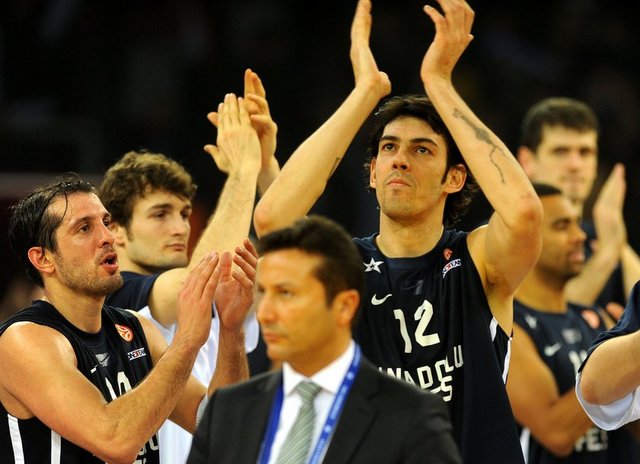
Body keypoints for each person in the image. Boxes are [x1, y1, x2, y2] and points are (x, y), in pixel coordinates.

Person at [252, 0, 542, 462]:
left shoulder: (478, 258)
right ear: (372, 173)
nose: (400, 160)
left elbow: (524, 212)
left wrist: (439, 83)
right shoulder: (345, 266)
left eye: (422, 150)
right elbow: (273, 220)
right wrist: (365, 92)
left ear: (454, 178)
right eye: (388, 148)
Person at [0, 174, 254, 463]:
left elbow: (225, 431)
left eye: (106, 222)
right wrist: (187, 341)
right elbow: (115, 441)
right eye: (84, 228)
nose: (107, 237)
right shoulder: (23, 340)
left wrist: (232, 330)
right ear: (43, 259)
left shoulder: (136, 328)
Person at [100, 72, 277, 463]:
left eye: (183, 213)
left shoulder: (207, 292)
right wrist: (243, 170)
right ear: (116, 230)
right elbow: (199, 284)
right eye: (160, 214)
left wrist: (266, 168)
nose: (180, 227)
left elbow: (303, 262)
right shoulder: (116, 298)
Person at [187, 215, 462, 464]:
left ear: (344, 306)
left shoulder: (410, 415)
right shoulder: (229, 407)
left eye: (286, 294)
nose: (265, 313)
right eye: (262, 293)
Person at [506, 183, 611, 462]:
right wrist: (623, 361)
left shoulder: (595, 318)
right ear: (522, 238)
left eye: (577, 222)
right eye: (562, 226)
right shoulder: (506, 328)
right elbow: (556, 433)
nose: (580, 235)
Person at [516, 97, 640, 314]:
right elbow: (537, 318)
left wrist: (619, 244)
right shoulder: (506, 235)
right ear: (527, 161)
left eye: (585, 152)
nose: (575, 165)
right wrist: (608, 254)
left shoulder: (600, 236)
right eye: (560, 151)